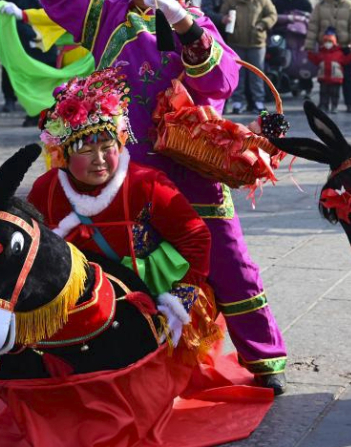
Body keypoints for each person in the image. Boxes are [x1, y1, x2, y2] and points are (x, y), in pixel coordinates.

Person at [26, 0, 289, 393]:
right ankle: (130, 362)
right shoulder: (108, 15)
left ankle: (264, 356)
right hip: (126, 176)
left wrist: (183, 27)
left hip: (192, 170)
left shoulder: (198, 23)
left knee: (231, 263)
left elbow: (222, 81)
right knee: (123, 268)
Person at [28, 68, 219, 355]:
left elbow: (196, 237)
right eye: (86, 151)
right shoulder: (47, 189)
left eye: (108, 147)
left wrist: (177, 300)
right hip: (74, 307)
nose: (100, 160)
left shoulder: (146, 183)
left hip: (145, 305)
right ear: (64, 155)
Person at [221, 0, 277, 114]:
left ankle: (259, 102)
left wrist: (262, 24)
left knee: (257, 74)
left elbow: (272, 14)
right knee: (238, 75)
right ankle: (237, 102)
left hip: (256, 43)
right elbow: (223, 12)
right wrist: (226, 19)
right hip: (236, 42)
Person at [306, 0, 351, 113]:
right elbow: (313, 26)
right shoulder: (320, 6)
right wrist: (309, 46)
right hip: (326, 48)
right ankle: (323, 103)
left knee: (347, 77)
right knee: (324, 77)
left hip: (344, 48)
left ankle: (350, 103)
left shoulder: (350, 6)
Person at [308, 28, 351, 114]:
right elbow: (315, 60)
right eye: (326, 41)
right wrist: (309, 54)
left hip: (335, 79)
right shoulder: (321, 53)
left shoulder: (339, 53)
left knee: (335, 94)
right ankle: (324, 106)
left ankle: (334, 106)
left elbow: (346, 60)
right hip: (324, 78)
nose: (328, 44)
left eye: (330, 41)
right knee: (323, 93)